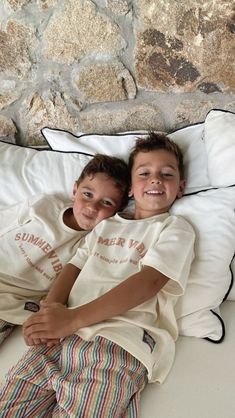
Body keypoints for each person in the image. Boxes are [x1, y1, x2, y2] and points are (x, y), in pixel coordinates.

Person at [0, 133, 195, 417]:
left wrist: (73, 318)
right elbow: (73, 267)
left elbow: (151, 280)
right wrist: (49, 312)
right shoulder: (106, 226)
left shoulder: (175, 229)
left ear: (181, 188)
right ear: (130, 188)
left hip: (117, 343)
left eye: (166, 174)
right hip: (61, 336)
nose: (155, 180)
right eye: (144, 173)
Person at [0, 154, 129, 345]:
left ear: (116, 211)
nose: (92, 206)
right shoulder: (44, 206)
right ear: (75, 190)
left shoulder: (92, 243)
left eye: (106, 202)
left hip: (13, 303)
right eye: (87, 194)